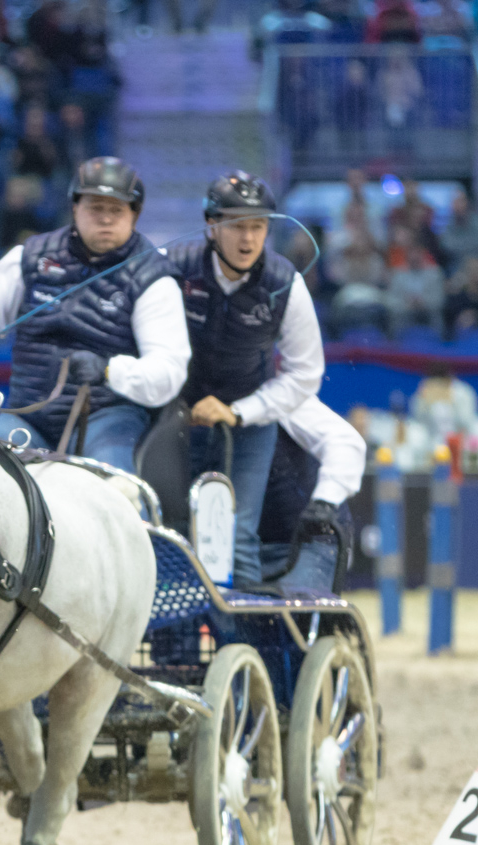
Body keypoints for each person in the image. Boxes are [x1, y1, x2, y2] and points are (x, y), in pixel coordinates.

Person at [0, 156, 190, 474]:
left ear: (135, 214)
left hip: (107, 416)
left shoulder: (154, 277)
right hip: (27, 415)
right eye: (95, 208)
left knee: (111, 481)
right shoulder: (31, 256)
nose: (105, 219)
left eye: (116, 210)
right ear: (75, 208)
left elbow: (169, 370)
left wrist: (109, 370)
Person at [162, 170, 325, 583]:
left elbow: (306, 374)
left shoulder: (285, 283)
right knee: (170, 531)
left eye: (258, 226)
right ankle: (176, 626)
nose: (248, 239)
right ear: (211, 225)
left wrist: (239, 412)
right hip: (172, 417)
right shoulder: (171, 268)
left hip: (249, 422)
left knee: (238, 537)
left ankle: (242, 625)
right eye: (236, 225)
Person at [258, 396, 367, 593]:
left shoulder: (281, 397)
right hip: (243, 547)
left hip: (308, 541)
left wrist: (324, 502)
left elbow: (346, 442)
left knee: (295, 609)